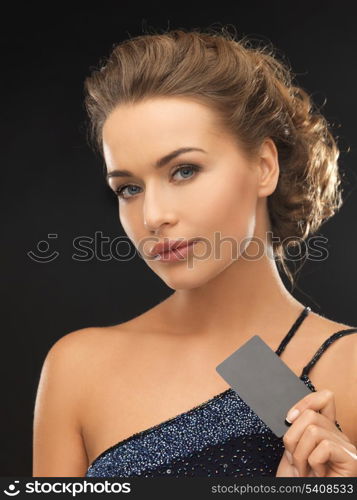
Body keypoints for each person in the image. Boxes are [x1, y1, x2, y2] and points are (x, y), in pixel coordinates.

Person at [33, 27, 357, 478]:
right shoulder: (79, 367)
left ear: (264, 166)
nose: (154, 215)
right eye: (128, 188)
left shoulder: (350, 368)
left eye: (184, 171)